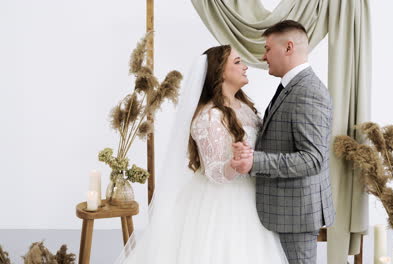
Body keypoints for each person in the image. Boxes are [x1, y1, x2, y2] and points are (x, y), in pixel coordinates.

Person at [113, 45, 288, 264]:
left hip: (252, 196)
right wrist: (234, 164)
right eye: (237, 62)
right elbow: (215, 172)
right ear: (220, 72)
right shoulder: (209, 116)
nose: (245, 67)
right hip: (222, 202)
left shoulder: (244, 106)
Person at [231, 20, 335, 264]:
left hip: (296, 214)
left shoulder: (307, 91)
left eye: (267, 49)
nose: (263, 56)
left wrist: (255, 161)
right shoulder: (292, 87)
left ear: (288, 48)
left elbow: (312, 160)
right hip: (284, 211)